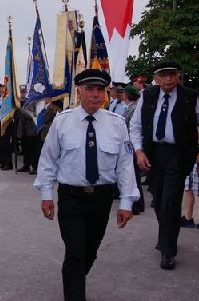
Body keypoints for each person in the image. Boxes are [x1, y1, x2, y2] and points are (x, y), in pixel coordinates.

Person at [34, 69, 139, 301]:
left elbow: (125, 166)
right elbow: (48, 159)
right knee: (75, 251)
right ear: (79, 92)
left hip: (101, 198)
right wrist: (46, 194)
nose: (95, 94)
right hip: (71, 197)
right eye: (89, 89)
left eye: (100, 89)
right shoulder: (62, 121)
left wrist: (126, 203)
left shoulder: (117, 124)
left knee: (89, 252)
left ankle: (74, 278)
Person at [129, 61, 199, 270]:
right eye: (163, 75)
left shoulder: (191, 96)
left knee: (170, 199)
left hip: (179, 154)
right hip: (154, 154)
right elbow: (136, 125)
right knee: (158, 199)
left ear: (177, 76)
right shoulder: (148, 96)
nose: (168, 79)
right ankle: (165, 233)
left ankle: (168, 251)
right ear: (156, 78)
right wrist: (139, 151)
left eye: (172, 74)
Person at [122, 85, 145, 215]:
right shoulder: (132, 107)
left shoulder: (134, 108)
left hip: (132, 146)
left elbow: (132, 128)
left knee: (134, 176)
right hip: (131, 145)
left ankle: (137, 205)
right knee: (134, 176)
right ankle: (139, 204)